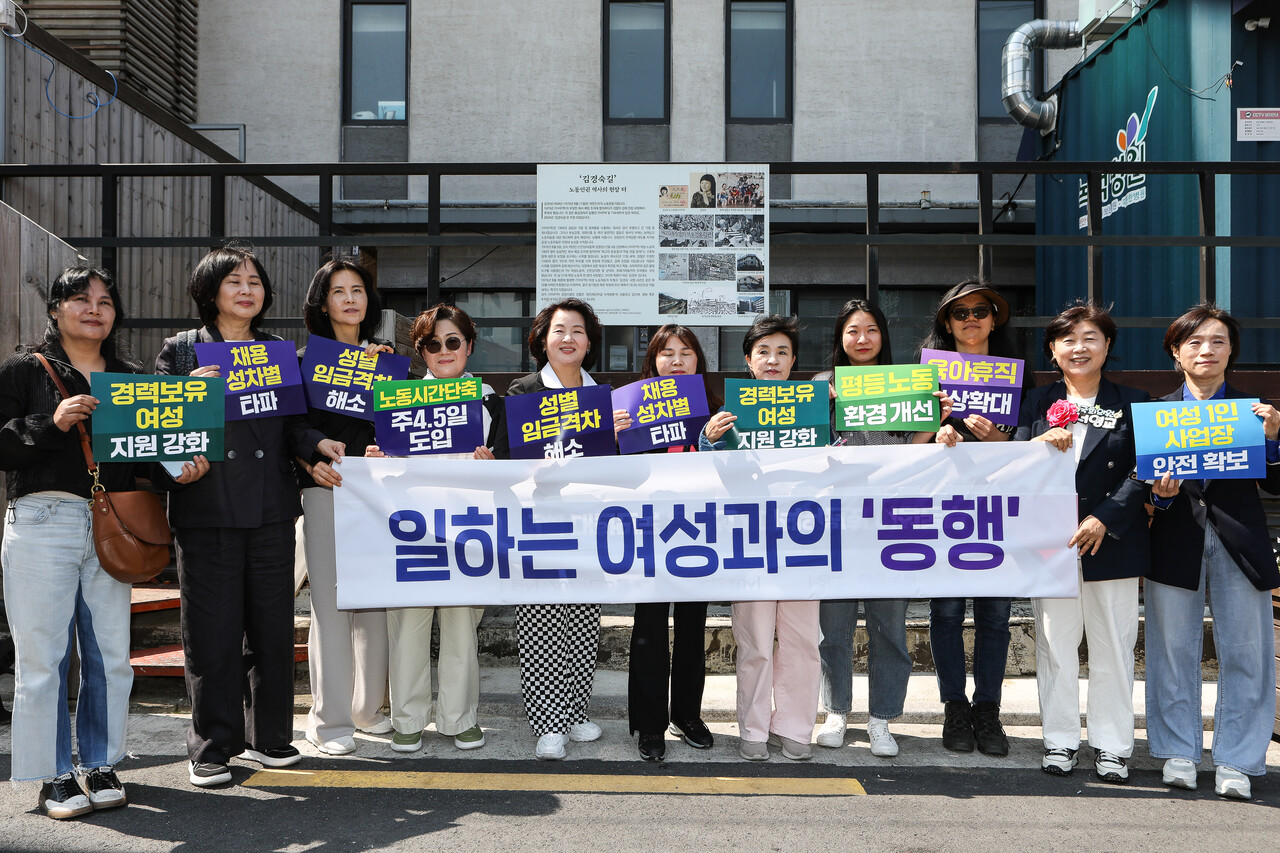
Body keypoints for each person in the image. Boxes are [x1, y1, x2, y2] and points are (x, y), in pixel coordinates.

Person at [0, 266, 206, 818]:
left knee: (110, 655)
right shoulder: (25, 370)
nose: (94, 308)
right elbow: (3, 447)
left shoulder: (128, 376)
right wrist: (53, 422)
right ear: (54, 309)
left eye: (105, 301)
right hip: (43, 519)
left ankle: (100, 763)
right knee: (43, 658)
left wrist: (179, 470)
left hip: (112, 523)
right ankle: (53, 776)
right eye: (80, 299)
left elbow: (145, 459)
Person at [155, 246, 343, 788]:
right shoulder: (182, 350)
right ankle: (213, 746)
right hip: (207, 506)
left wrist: (316, 444)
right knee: (211, 631)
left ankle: (270, 738)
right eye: (234, 280)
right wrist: (199, 396)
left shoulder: (277, 351)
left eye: (255, 281)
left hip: (270, 507)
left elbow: (293, 427)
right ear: (210, 290)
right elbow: (160, 427)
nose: (246, 289)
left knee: (271, 626)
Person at [1145, 304, 1280, 800]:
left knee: (1248, 653)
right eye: (1195, 342)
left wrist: (1273, 440)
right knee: (1171, 649)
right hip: (1175, 540)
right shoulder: (1156, 412)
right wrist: (1158, 494)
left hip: (1239, 541)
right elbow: (1141, 491)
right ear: (1177, 353)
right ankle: (1179, 752)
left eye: (1218, 341)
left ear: (1231, 352)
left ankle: (1238, 759)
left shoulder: (1254, 411)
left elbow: (1276, 484)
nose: (1207, 350)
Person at [1015, 302, 1150, 784]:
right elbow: (1011, 466)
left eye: (1090, 338)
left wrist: (1103, 518)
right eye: (1068, 340)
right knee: (1055, 645)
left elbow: (1145, 471)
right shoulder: (1035, 402)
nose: (1080, 348)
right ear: (1052, 349)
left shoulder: (1133, 402)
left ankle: (1113, 746)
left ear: (1107, 346)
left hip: (1110, 540)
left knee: (1114, 645)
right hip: (1051, 543)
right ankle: (1059, 740)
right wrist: (1034, 445)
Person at [367, 303, 500, 754]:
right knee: (408, 628)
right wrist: (377, 463)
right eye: (431, 343)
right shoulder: (399, 401)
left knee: (462, 627)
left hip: (468, 532)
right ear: (420, 351)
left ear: (469, 347)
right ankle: (408, 718)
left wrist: (494, 465)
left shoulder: (490, 403)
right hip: (413, 533)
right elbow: (388, 469)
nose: (443, 351)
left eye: (453, 342)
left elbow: (516, 471)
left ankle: (459, 718)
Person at [812, 299, 939, 759]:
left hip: (891, 522)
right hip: (837, 522)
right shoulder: (820, 385)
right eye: (852, 331)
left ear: (883, 336)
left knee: (890, 626)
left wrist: (934, 417)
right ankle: (838, 711)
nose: (861, 338)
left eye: (870, 329)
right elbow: (804, 446)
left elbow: (913, 451)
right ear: (839, 339)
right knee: (834, 627)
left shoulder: (906, 382)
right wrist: (817, 408)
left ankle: (883, 718)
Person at [495, 298, 617, 761]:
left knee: (583, 620)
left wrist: (619, 434)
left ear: (590, 342)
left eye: (579, 331)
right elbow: (505, 459)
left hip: (588, 521)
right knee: (543, 620)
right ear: (542, 339)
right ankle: (547, 722)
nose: (569, 338)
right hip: (539, 522)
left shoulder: (601, 396)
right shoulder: (522, 391)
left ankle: (574, 712)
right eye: (560, 330)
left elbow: (613, 466)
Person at [700, 315, 819, 762]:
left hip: (806, 541)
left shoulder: (815, 409)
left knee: (803, 640)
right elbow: (705, 477)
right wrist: (708, 441)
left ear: (793, 362)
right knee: (753, 640)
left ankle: (795, 726)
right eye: (763, 352)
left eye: (783, 352)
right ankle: (752, 727)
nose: (773, 360)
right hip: (750, 542)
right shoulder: (725, 418)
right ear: (748, 361)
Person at [924, 279, 1033, 756]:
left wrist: (1000, 442)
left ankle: (988, 709)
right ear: (947, 323)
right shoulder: (926, 378)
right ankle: (954, 707)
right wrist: (935, 433)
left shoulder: (1020, 379)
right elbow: (908, 444)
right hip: (942, 508)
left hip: (999, 510)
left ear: (994, 320)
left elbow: (1036, 446)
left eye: (981, 311)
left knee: (995, 615)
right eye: (960, 312)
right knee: (945, 614)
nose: (971, 319)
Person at [295, 258, 392, 756]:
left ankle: (367, 710)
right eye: (339, 291)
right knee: (331, 607)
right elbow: (289, 424)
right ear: (323, 302)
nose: (351, 299)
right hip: (326, 486)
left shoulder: (386, 360)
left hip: (375, 493)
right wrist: (312, 453)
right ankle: (329, 721)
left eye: (358, 290)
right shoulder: (300, 359)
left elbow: (405, 425)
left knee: (374, 603)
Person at [619, 325, 722, 762]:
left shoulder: (714, 409)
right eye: (667, 353)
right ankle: (649, 723)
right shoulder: (629, 406)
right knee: (648, 629)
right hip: (647, 529)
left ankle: (687, 714)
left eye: (686, 352)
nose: (677, 360)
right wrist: (616, 435)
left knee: (693, 626)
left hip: (698, 530)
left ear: (699, 361)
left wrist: (715, 439)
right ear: (652, 361)